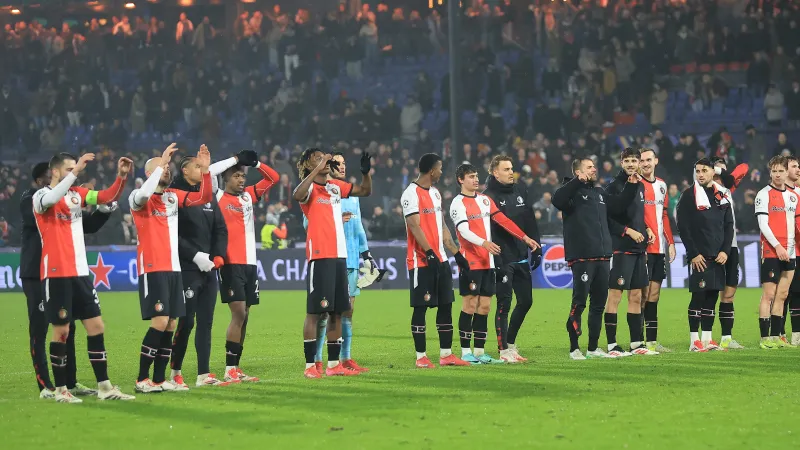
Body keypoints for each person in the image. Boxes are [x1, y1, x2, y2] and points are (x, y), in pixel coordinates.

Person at [33, 152, 135, 403]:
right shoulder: (41, 197)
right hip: (56, 273)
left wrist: (121, 178)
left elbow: (106, 197)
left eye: (74, 169)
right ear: (55, 171)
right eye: (68, 169)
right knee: (62, 332)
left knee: (96, 327)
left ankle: (105, 386)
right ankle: (60, 390)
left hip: (80, 273)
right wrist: (76, 173)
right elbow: (54, 196)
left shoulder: (77, 194)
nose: (73, 172)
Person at [20, 162, 116, 399]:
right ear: (44, 178)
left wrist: (102, 208)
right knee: (42, 328)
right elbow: (38, 218)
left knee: (69, 328)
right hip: (37, 272)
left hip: (67, 270)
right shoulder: (32, 198)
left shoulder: (66, 199)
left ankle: (70, 382)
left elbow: (87, 225)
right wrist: (66, 196)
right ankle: (45, 385)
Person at [129, 144, 213, 393]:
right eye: (161, 168)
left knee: (171, 324)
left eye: (168, 168)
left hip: (175, 269)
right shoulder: (138, 198)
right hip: (153, 268)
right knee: (160, 321)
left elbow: (204, 197)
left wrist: (206, 171)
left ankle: (158, 379)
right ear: (149, 174)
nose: (166, 171)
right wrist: (161, 163)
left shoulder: (173, 197)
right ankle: (142, 379)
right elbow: (144, 195)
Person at [293, 148, 373, 378]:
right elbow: (297, 196)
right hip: (320, 257)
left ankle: (334, 365)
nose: (325, 160)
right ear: (309, 165)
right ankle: (310, 366)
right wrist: (318, 169)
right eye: (318, 158)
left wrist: (366, 172)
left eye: (325, 158)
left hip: (340, 256)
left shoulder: (335, 187)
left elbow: (365, 191)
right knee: (315, 313)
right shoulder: (309, 190)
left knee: (339, 311)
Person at [169, 150, 246, 388]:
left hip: (209, 268)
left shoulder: (209, 197)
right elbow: (173, 234)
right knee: (186, 322)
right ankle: (175, 372)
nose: (202, 170)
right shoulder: (174, 196)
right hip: (187, 268)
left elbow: (220, 229)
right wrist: (195, 255)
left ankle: (204, 374)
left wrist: (218, 255)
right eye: (197, 167)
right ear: (185, 171)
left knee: (206, 322)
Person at [450, 163, 539, 365]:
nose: (475, 179)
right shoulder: (458, 203)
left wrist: (525, 238)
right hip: (470, 260)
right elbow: (463, 230)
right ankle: (465, 352)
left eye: (476, 175)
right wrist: (485, 243)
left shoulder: (484, 200)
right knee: (470, 305)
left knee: (485, 306)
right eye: (471, 176)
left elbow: (504, 221)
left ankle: (480, 352)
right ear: (461, 180)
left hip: (488, 261)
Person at [552, 157, 639, 360]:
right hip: (582, 257)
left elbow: (616, 209)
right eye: (589, 167)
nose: (594, 169)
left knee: (598, 304)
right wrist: (575, 182)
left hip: (602, 256)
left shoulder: (599, 193)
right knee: (579, 302)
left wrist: (631, 188)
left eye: (594, 166)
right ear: (578, 171)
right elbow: (557, 200)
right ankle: (574, 348)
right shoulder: (571, 192)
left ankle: (592, 348)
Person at [214, 152, 278, 382]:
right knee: (238, 312)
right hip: (231, 263)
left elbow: (273, 178)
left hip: (250, 263)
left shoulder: (248, 197)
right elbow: (209, 172)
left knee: (246, 315)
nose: (241, 180)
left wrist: (258, 163)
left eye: (243, 175)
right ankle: (229, 369)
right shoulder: (217, 196)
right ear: (226, 179)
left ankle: (235, 367)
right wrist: (233, 159)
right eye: (237, 176)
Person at [401, 153, 469, 369]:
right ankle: (421, 357)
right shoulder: (410, 193)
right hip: (421, 261)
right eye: (439, 168)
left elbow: (441, 226)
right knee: (421, 307)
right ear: (432, 170)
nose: (441, 172)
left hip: (440, 258)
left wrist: (456, 253)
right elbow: (414, 225)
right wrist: (429, 252)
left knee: (446, 305)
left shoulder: (436, 194)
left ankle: (446, 354)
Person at [482, 155, 542, 363]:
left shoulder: (520, 190)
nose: (510, 172)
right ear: (494, 172)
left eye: (511, 168)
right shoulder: (486, 196)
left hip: (520, 254)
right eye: (506, 169)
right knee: (504, 304)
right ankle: (504, 350)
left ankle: (511, 342)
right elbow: (500, 223)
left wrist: (537, 246)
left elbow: (529, 218)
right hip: (502, 256)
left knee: (526, 301)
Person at [604, 148, 659, 357]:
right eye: (626, 160)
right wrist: (628, 231)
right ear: (621, 163)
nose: (630, 164)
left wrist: (646, 229)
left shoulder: (641, 187)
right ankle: (612, 345)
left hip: (638, 249)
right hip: (621, 249)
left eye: (634, 160)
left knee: (636, 295)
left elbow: (636, 214)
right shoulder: (613, 187)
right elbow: (609, 219)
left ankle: (636, 343)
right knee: (615, 296)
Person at [676, 158, 734, 352]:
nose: (700, 174)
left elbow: (728, 225)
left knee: (712, 297)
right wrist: (693, 253)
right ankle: (694, 341)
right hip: (699, 256)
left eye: (704, 170)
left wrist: (726, 250)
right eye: (697, 171)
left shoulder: (722, 195)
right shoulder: (688, 195)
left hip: (718, 256)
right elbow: (683, 227)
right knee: (698, 297)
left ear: (712, 172)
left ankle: (707, 340)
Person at [754, 156, 798, 349]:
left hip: (790, 252)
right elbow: (763, 224)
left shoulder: (792, 196)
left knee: (782, 294)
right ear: (770, 173)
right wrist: (778, 247)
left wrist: (790, 249)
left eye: (781, 171)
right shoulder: (763, 194)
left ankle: (776, 337)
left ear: (786, 172)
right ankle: (764, 339)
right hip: (772, 251)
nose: (778, 174)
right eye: (775, 171)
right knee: (769, 295)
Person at [639, 149, 675, 353]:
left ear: (656, 161)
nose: (645, 163)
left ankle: (652, 341)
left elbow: (664, 217)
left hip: (659, 249)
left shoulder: (662, 186)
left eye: (648, 160)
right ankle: (639, 341)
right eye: (642, 160)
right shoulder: (635, 184)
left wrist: (670, 242)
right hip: (642, 248)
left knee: (654, 295)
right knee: (641, 295)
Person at [710, 157, 748, 349]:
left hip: (731, 247)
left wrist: (718, 171)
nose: (719, 175)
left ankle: (726, 338)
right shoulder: (705, 191)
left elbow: (744, 167)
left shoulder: (729, 189)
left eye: (722, 172)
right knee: (709, 294)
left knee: (729, 293)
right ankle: (704, 338)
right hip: (713, 248)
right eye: (715, 171)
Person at [784, 156, 800, 345]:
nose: (798, 169)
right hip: (787, 250)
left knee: (797, 293)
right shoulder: (781, 193)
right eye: (794, 166)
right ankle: (778, 333)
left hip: (798, 250)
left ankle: (796, 334)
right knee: (784, 294)